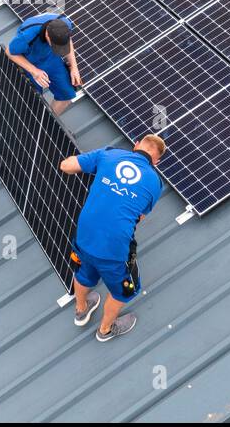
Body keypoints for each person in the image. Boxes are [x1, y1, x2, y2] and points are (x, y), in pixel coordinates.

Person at [60, 136, 165, 341]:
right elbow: (138, 217)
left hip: (85, 235)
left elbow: (66, 165)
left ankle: (81, 309)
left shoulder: (109, 154)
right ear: (156, 162)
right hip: (113, 248)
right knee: (124, 291)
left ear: (135, 146)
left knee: (84, 270)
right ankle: (105, 330)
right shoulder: (155, 183)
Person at [5, 13, 81, 116]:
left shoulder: (65, 23)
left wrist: (74, 67)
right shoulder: (28, 34)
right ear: (47, 35)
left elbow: (67, 40)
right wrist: (34, 71)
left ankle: (46, 122)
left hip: (51, 59)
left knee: (66, 94)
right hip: (29, 61)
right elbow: (9, 52)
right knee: (34, 100)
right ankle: (33, 121)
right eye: (56, 45)